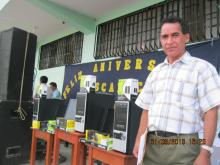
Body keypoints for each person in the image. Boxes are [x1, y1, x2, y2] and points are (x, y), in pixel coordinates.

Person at [133, 15, 220, 165]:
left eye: (175, 35)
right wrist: (138, 141)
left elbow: (212, 111)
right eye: (164, 37)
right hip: (152, 145)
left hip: (185, 146)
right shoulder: (156, 72)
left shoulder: (202, 68)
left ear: (186, 37)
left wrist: (205, 151)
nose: (169, 41)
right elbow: (146, 109)